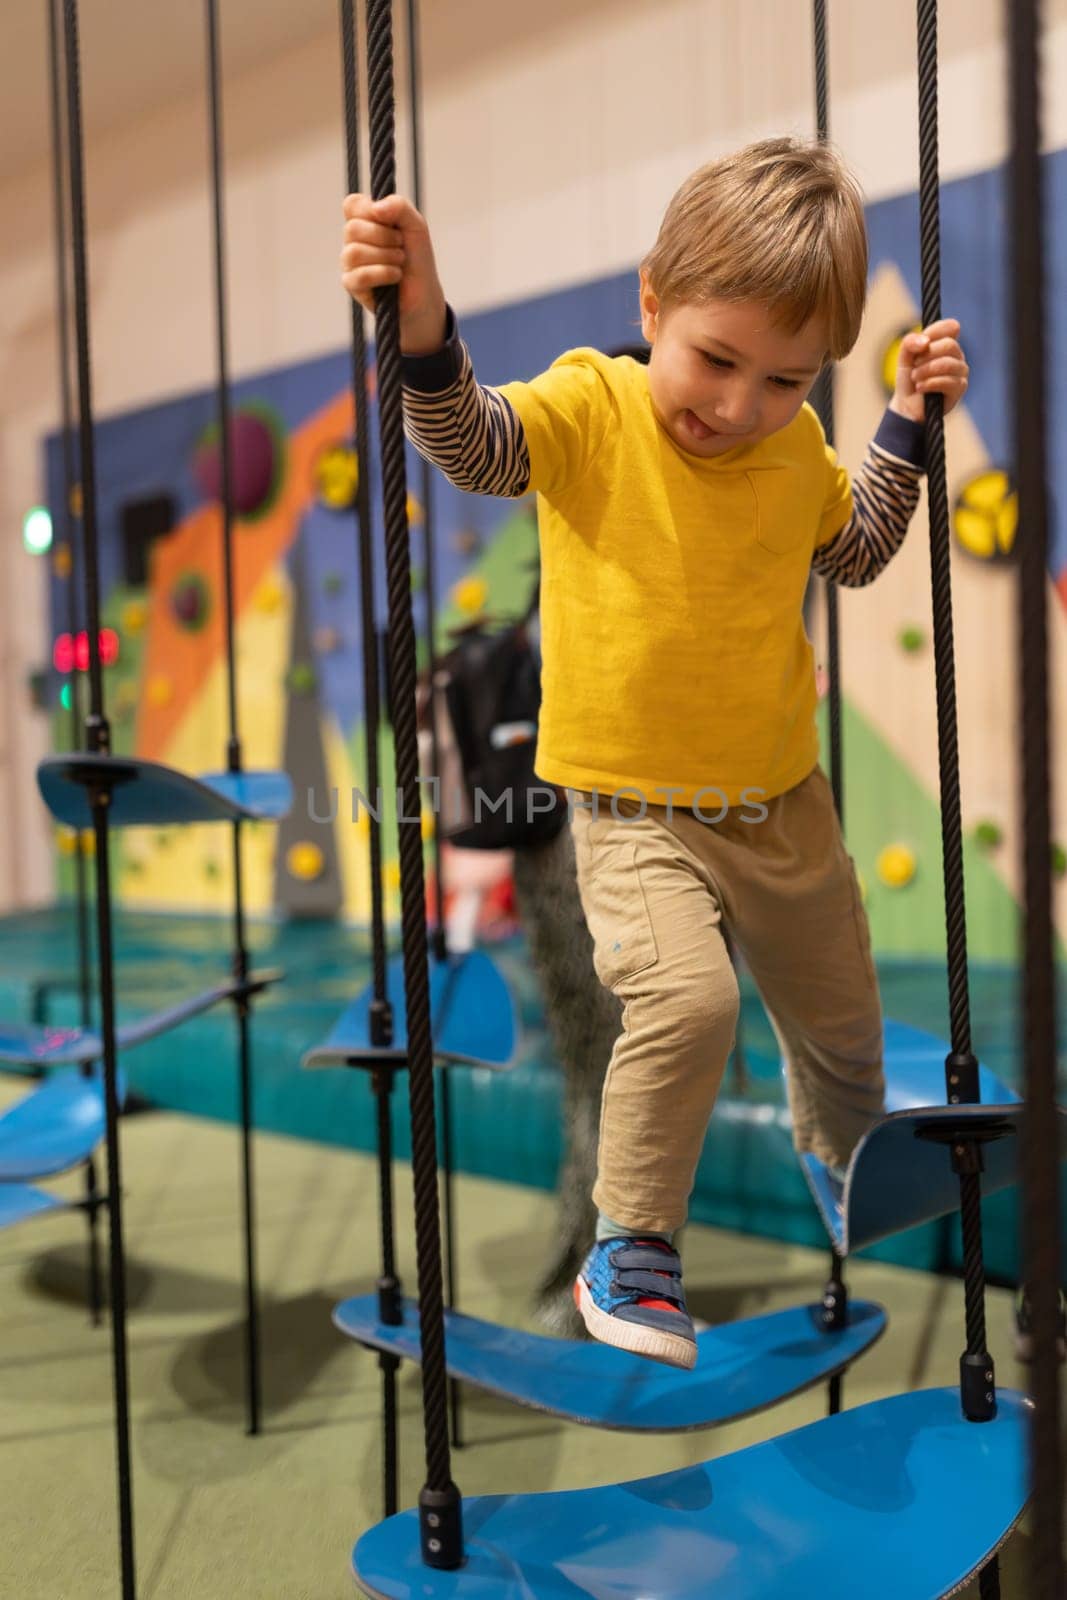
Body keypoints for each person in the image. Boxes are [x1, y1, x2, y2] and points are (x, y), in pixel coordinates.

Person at [341, 136, 969, 1370]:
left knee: (842, 1030)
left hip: (782, 804)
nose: (738, 408)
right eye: (715, 359)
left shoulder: (791, 452)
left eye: (786, 381)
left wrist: (901, 417)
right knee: (686, 1001)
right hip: (633, 807)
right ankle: (629, 1240)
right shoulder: (594, 405)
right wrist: (422, 327)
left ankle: (838, 1162)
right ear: (651, 304)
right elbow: (471, 444)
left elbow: (853, 547)